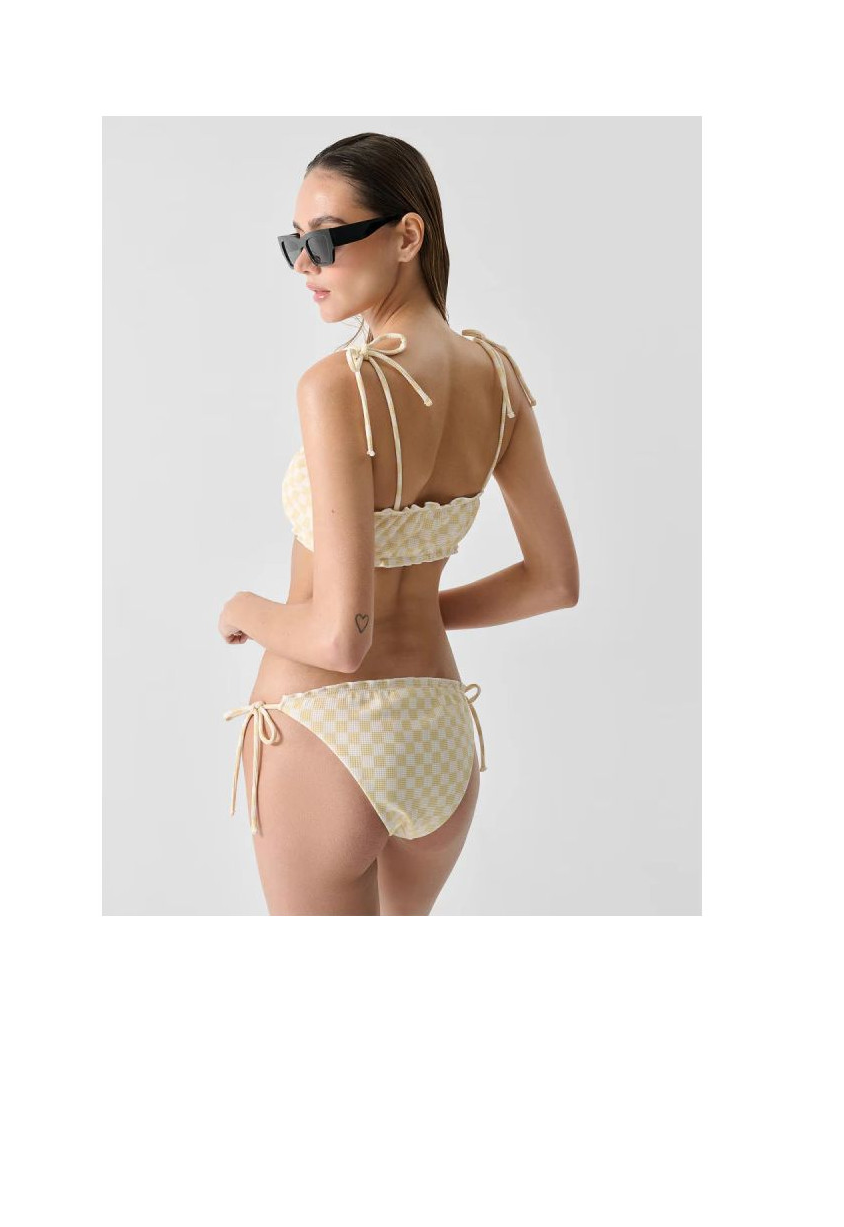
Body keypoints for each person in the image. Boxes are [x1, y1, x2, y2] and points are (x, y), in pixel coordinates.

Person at [219, 132, 579, 914]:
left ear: (407, 236)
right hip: (438, 734)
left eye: (323, 240)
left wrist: (243, 608)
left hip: (323, 731)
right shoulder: (497, 378)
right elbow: (554, 582)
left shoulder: (337, 386)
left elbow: (339, 641)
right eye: (293, 243)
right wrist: (416, 610)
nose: (303, 265)